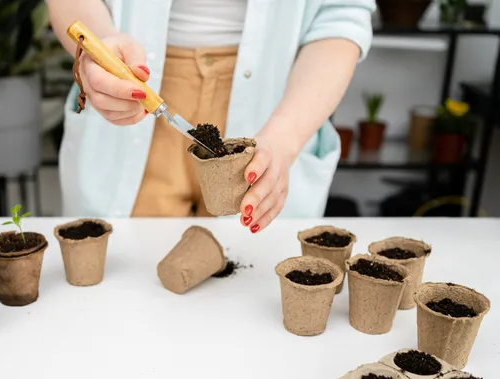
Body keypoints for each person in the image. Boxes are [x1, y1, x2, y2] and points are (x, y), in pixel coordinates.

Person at [48, 0, 376, 233]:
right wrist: (102, 50)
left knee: (246, 290)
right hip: (133, 93)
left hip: (276, 103)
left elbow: (340, 15)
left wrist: (284, 139)